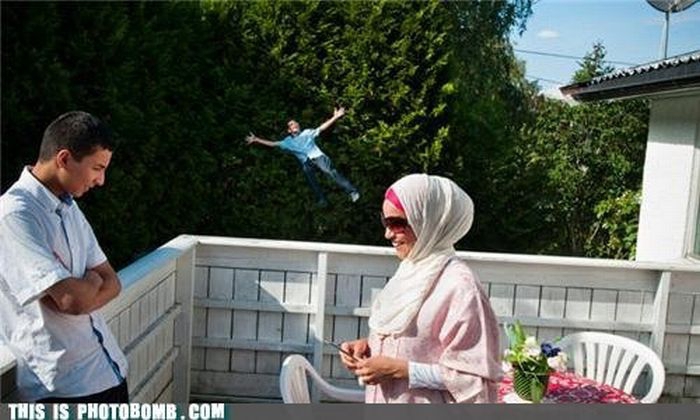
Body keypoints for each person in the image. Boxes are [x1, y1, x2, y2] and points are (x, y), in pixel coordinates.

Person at [338, 174, 501, 403]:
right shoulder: (411, 270)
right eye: (385, 222)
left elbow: (472, 378)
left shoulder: (460, 287)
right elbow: (416, 343)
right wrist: (370, 346)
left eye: (397, 223)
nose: (388, 233)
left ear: (429, 221)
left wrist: (399, 370)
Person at [0, 111, 128, 402]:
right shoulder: (15, 215)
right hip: (65, 390)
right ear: (64, 159)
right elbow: (73, 301)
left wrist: (84, 286)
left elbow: (112, 282)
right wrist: (89, 282)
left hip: (108, 370)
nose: (101, 180)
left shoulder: (69, 207)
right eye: (97, 168)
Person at [246, 107, 360, 206]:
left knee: (329, 172)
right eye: (292, 124)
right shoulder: (287, 142)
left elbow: (322, 127)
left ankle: (352, 191)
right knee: (311, 180)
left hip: (318, 157)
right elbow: (273, 144)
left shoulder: (307, 133)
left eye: (296, 123)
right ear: (289, 130)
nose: (295, 125)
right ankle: (322, 200)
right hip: (306, 162)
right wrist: (257, 140)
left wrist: (335, 117)